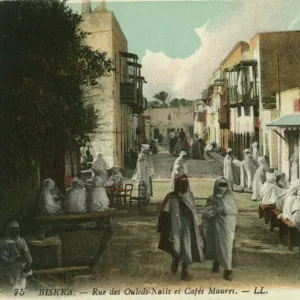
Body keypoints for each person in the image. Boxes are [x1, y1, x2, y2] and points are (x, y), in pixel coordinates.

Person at [157, 174, 205, 281]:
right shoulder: (171, 197)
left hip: (188, 228)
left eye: (185, 182)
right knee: (177, 247)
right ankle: (176, 260)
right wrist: (162, 227)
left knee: (187, 249)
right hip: (176, 227)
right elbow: (165, 213)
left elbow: (193, 211)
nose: (184, 185)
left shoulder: (189, 196)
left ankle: (184, 272)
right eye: (181, 183)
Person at [201, 177, 237, 281]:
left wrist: (221, 208)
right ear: (216, 186)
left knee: (226, 246)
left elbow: (232, 211)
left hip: (227, 226)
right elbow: (205, 213)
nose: (222, 188)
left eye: (224, 185)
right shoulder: (211, 198)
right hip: (215, 225)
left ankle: (227, 270)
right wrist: (215, 210)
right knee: (214, 244)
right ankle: (216, 262)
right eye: (220, 185)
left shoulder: (230, 198)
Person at [0, 221, 32, 290]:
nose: (16, 236)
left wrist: (28, 259)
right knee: (10, 283)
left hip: (21, 267)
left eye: (17, 233)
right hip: (9, 266)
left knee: (21, 281)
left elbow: (27, 253)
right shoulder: (5, 243)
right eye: (14, 233)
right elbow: (3, 258)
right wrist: (15, 258)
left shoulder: (21, 241)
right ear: (10, 233)